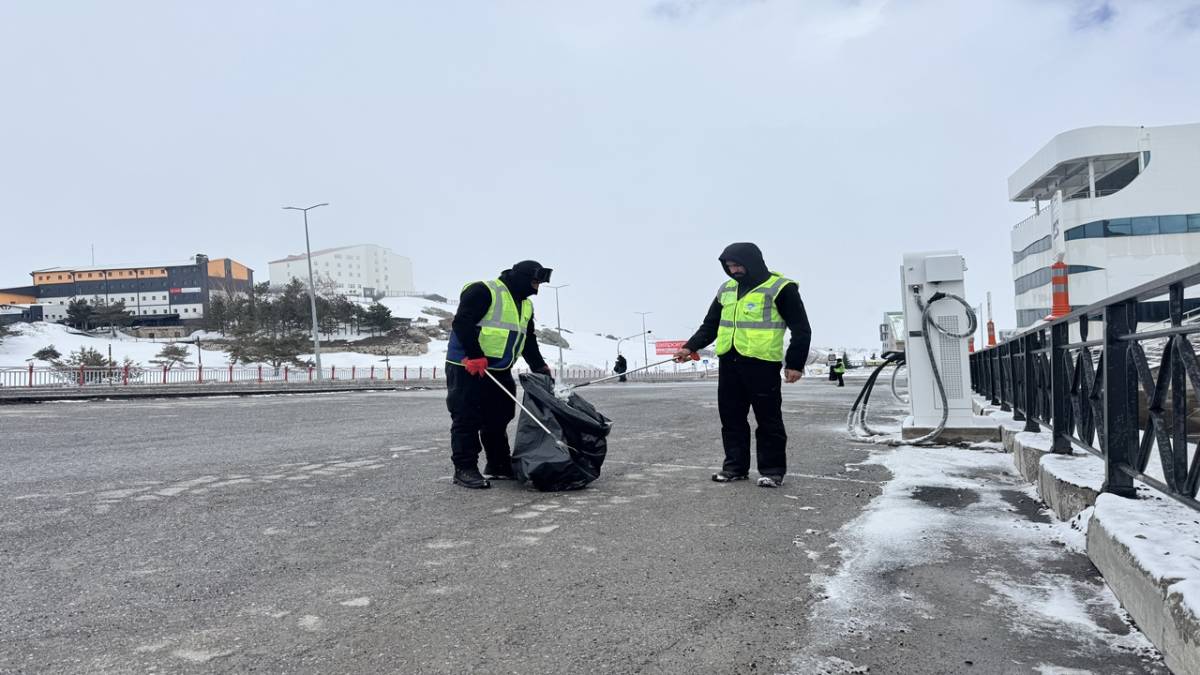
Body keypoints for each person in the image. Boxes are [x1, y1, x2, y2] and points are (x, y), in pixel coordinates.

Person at [673, 242, 812, 488]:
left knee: (768, 420)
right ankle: (735, 467)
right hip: (729, 362)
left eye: (738, 265)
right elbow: (710, 325)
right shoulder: (726, 290)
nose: (734, 270)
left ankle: (772, 471)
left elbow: (801, 328)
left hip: (762, 364)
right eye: (729, 266)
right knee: (731, 418)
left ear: (753, 262)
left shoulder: (781, 288)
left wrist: (795, 364)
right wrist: (690, 347)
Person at [445, 260, 553, 489]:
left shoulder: (525, 305)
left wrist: (539, 366)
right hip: (467, 366)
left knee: (499, 416)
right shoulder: (484, 291)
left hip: (499, 368)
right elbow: (462, 323)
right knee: (466, 417)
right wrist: (474, 355)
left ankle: (498, 464)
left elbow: (528, 338)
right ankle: (464, 468)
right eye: (535, 282)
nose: (537, 289)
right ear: (521, 277)